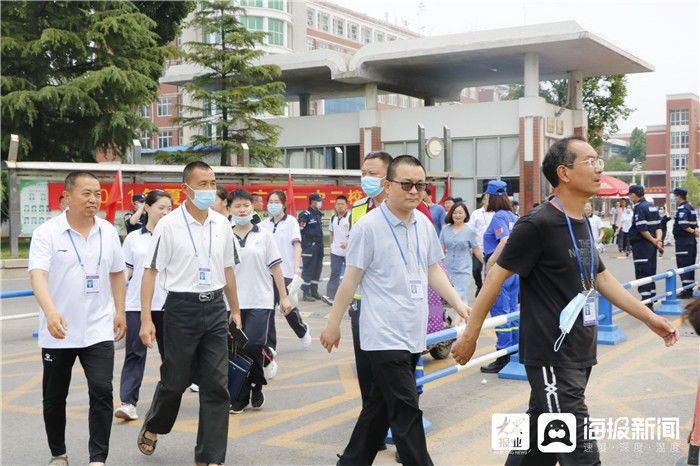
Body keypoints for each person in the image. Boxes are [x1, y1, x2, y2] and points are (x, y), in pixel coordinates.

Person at [451, 136, 679, 466]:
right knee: (581, 453)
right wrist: (470, 336)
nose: (599, 168)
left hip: (579, 350)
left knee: (535, 448)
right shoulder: (536, 224)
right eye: (590, 161)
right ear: (565, 172)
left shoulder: (582, 221)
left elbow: (601, 278)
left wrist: (649, 317)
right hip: (550, 357)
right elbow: (494, 279)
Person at [320, 155, 470, 466]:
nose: (415, 191)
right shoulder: (368, 227)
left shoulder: (423, 224)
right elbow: (350, 282)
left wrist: (457, 303)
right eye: (407, 184)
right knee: (406, 412)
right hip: (383, 335)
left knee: (377, 408)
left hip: (412, 332)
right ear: (388, 186)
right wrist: (332, 323)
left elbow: (433, 270)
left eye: (420, 185)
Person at [136, 161, 241, 466]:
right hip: (181, 308)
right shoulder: (169, 226)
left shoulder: (222, 223)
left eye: (213, 183)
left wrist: (235, 309)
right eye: (203, 184)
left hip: (215, 309)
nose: (210, 189)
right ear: (186, 189)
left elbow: (228, 269)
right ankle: (155, 424)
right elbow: (150, 271)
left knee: (216, 384)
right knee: (175, 380)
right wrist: (145, 318)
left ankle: (210, 457)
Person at [29, 171, 127, 466]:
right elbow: (38, 275)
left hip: (97, 328)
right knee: (55, 397)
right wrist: (50, 312)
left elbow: (118, 272)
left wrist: (119, 310)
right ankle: (58, 453)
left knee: (101, 390)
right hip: (58, 330)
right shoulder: (46, 233)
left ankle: (98, 458)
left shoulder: (108, 231)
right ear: (67, 197)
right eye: (86, 193)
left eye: (98, 193)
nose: (94, 199)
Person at [228, 189, 292, 413]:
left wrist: (283, 297)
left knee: (253, 345)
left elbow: (276, 267)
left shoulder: (264, 234)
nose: (242, 209)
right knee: (238, 350)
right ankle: (255, 385)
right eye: (237, 206)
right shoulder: (225, 235)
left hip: (261, 300)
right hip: (233, 303)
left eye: (246, 205)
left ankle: (243, 395)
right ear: (230, 210)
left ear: (252, 208)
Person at [115, 190, 172, 421]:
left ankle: (169, 400)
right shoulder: (133, 239)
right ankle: (128, 402)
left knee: (171, 357)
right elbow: (124, 273)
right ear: (146, 208)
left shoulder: (174, 237)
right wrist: (117, 306)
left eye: (169, 208)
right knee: (134, 354)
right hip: (137, 305)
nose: (166, 212)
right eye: (161, 207)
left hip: (169, 305)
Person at [260, 190, 312, 348]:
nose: (273, 205)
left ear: (283, 204)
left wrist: (297, 267)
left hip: (286, 272)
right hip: (267, 274)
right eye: (271, 202)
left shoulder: (291, 222)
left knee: (286, 308)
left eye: (276, 202)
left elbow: (297, 245)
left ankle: (302, 330)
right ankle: (270, 347)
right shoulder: (263, 225)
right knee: (268, 310)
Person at [479, 180, 520, 374]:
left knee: (500, 314)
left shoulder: (498, 217)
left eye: (486, 196)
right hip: (513, 270)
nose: (484, 200)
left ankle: (503, 355)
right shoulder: (512, 215)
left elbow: (504, 240)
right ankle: (514, 351)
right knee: (511, 312)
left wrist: (490, 263)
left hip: (500, 271)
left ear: (493, 197)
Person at [439, 202, 482, 313]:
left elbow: (476, 249)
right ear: (451, 214)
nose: (457, 215)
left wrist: (488, 263)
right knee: (448, 297)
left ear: (465, 215)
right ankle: (450, 322)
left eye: (460, 213)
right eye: (455, 213)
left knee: (460, 296)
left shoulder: (469, 232)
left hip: (463, 269)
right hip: (447, 270)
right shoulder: (445, 230)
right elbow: (440, 250)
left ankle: (461, 325)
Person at [628, 184, 663, 310]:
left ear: (634, 195)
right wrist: (658, 241)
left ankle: (646, 302)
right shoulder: (652, 206)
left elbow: (642, 229)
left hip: (642, 246)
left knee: (643, 272)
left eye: (630, 194)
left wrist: (654, 241)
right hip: (651, 246)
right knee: (651, 271)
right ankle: (651, 298)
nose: (629, 197)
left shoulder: (639, 208)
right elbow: (659, 226)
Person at [672, 187, 699, 299]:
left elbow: (683, 225)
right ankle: (689, 287)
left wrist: (694, 232)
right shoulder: (691, 207)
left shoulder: (683, 208)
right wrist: (695, 231)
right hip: (691, 242)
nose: (674, 199)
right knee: (690, 265)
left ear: (679, 196)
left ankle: (687, 290)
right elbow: (695, 223)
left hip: (684, 242)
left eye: (675, 196)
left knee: (684, 265)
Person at [324, 195, 351, 304]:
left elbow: (355, 233)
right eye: (338, 204)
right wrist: (331, 246)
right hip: (336, 252)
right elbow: (331, 233)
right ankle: (330, 296)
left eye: (342, 204)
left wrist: (348, 242)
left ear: (346, 205)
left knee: (349, 276)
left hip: (348, 251)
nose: (339, 206)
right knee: (334, 274)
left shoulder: (351, 217)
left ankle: (349, 298)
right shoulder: (333, 218)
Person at [467, 191, 495, 297]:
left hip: (492, 248)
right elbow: (470, 230)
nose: (488, 201)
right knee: (476, 270)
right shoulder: (476, 213)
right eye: (486, 198)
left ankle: (488, 292)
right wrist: (470, 246)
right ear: (482, 200)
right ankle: (479, 285)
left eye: (490, 198)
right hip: (478, 247)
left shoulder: (496, 213)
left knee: (490, 271)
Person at [298, 193, 324, 301]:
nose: (320, 203)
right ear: (312, 201)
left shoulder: (318, 214)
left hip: (319, 246)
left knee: (317, 269)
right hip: (309, 246)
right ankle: (306, 292)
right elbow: (300, 230)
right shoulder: (305, 214)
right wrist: (303, 245)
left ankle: (314, 290)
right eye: (318, 201)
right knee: (309, 269)